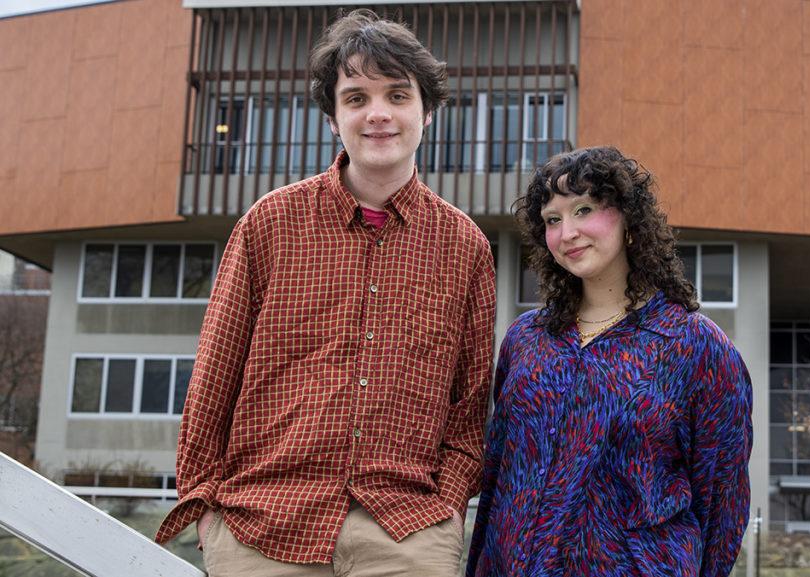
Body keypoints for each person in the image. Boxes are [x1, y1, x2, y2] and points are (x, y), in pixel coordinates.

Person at [155, 9, 496, 577]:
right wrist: (205, 502)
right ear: (334, 120)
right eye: (357, 98)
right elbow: (214, 375)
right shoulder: (269, 224)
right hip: (262, 523)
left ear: (427, 113)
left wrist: (447, 510)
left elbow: (470, 407)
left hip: (407, 530)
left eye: (398, 95)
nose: (378, 113)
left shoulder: (466, 246)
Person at [466, 146, 752, 577]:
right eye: (553, 220)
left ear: (629, 221)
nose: (568, 233)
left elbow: (722, 502)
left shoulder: (694, 345)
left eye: (584, 210)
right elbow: (497, 478)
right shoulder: (526, 340)